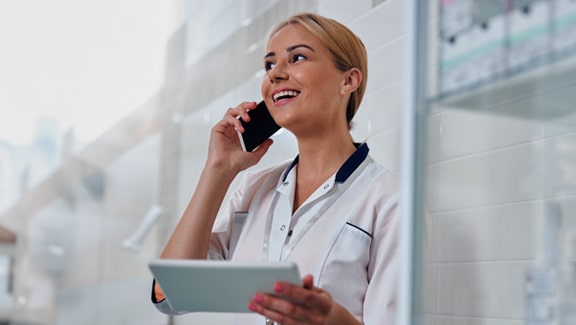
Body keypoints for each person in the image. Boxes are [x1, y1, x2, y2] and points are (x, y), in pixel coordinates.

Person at [151, 12, 399, 325]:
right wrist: (218, 170)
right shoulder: (252, 190)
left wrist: (334, 320)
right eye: (270, 64)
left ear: (348, 80)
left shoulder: (389, 201)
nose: (275, 75)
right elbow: (171, 294)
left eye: (297, 58)